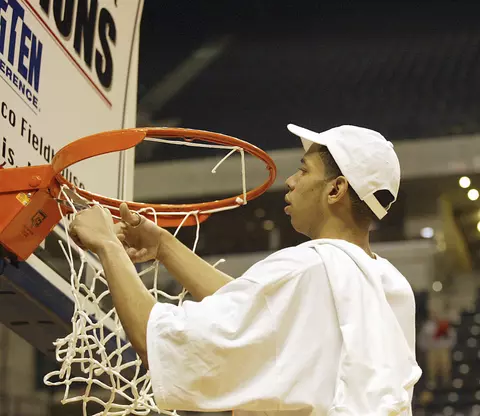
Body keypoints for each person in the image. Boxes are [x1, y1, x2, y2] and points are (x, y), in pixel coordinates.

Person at [70, 124, 422, 415]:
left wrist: (107, 244)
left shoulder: (307, 267)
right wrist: (164, 247)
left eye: (303, 170)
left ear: (336, 189)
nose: (292, 181)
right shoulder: (391, 286)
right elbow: (257, 306)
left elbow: (157, 341)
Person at [418, 310, 456, 388]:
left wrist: (448, 346)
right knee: (431, 367)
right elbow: (422, 339)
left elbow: (452, 337)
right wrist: (425, 348)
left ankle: (446, 382)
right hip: (432, 350)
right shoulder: (427, 326)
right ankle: (432, 382)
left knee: (445, 366)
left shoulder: (446, 325)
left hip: (444, 349)